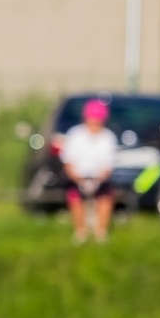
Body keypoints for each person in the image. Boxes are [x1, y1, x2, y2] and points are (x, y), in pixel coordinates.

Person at [61, 98, 118, 244]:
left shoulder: (108, 137)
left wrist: (97, 181)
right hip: (77, 177)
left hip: (99, 179)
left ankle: (101, 232)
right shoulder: (74, 135)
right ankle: (80, 232)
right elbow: (68, 163)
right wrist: (79, 180)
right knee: (75, 198)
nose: (95, 125)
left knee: (106, 198)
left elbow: (107, 166)